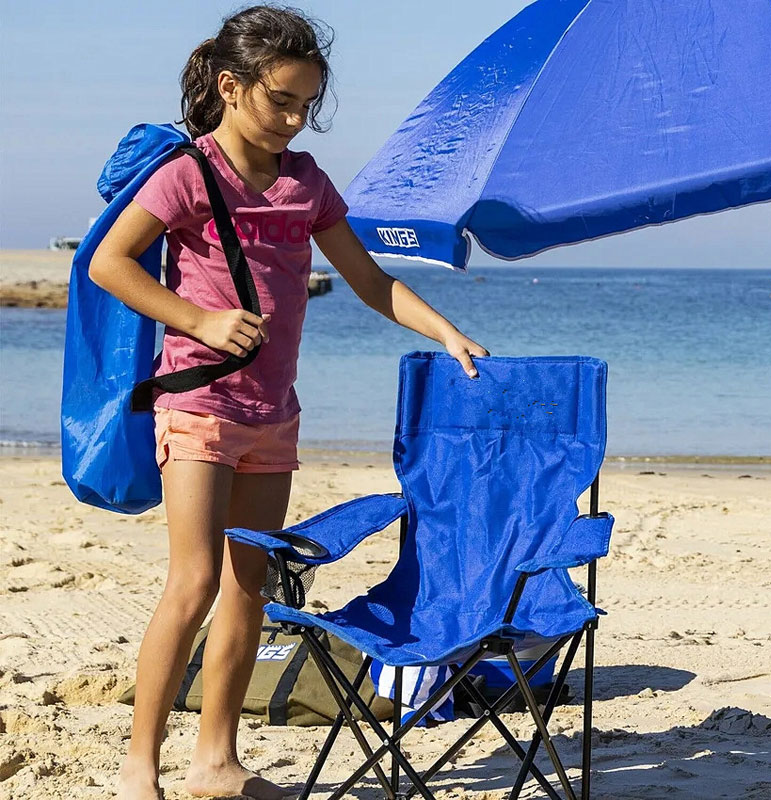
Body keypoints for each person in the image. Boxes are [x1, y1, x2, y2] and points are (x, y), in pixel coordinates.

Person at [89, 6, 488, 800]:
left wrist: (446, 331)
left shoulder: (307, 182)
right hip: (200, 407)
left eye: (308, 103)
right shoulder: (188, 175)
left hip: (274, 416)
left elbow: (372, 282)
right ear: (231, 87)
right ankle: (141, 764)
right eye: (282, 100)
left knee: (250, 587)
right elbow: (110, 262)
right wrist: (199, 319)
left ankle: (215, 761)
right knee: (195, 580)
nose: (296, 119)